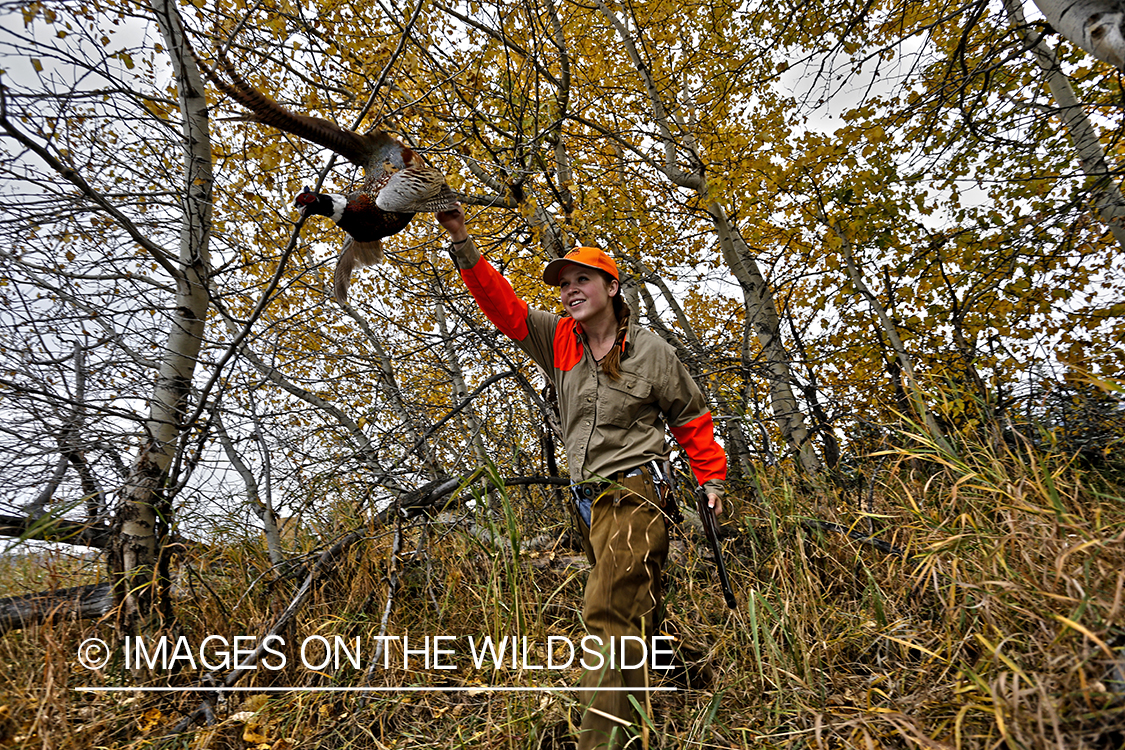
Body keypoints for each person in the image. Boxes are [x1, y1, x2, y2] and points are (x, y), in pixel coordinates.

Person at [436, 206, 726, 750]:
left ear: (611, 287)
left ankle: (602, 742)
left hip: (639, 493)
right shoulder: (558, 340)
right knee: (637, 609)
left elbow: (690, 416)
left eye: (582, 280)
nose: (570, 290)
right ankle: (690, 679)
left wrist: (710, 478)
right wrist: (462, 239)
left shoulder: (649, 349)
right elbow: (504, 309)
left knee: (609, 613)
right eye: (564, 284)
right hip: (589, 501)